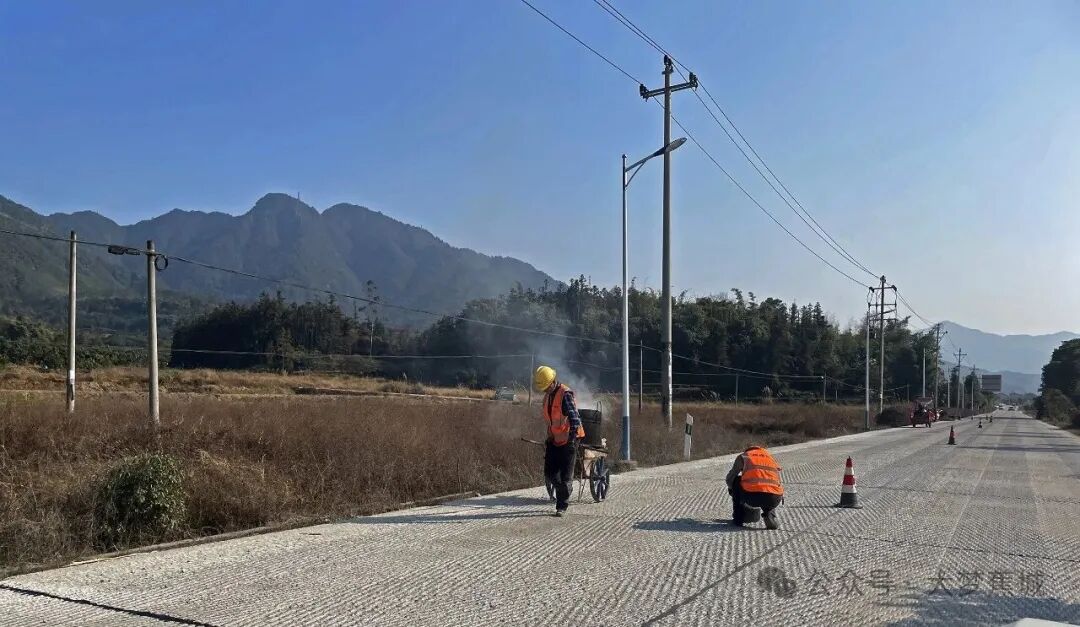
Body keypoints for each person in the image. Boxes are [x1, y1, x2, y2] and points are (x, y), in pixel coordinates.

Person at [534, 365, 584, 517]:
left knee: (565, 476)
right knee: (549, 473)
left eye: (546, 387)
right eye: (542, 388)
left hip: (569, 439)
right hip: (554, 439)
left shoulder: (565, 394)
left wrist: (572, 438)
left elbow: (574, 417)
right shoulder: (548, 396)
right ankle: (565, 490)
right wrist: (549, 435)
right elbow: (551, 420)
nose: (544, 390)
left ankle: (561, 506)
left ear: (553, 381)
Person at [725, 445, 784, 529]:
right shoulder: (770, 457)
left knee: (736, 480)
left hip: (752, 497)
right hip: (774, 498)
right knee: (769, 487)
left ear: (747, 450)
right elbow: (778, 481)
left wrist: (732, 490)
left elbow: (730, 479)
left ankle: (738, 518)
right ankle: (769, 514)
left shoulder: (744, 456)